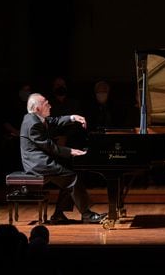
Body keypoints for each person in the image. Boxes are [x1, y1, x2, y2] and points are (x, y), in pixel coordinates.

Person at [20, 93, 107, 224]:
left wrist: (73, 117)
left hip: (42, 161)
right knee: (72, 178)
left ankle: (59, 214)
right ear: (37, 108)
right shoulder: (32, 124)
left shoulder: (35, 118)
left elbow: (55, 120)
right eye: (46, 104)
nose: (50, 105)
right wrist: (70, 151)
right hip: (38, 165)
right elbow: (49, 147)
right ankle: (87, 214)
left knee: (68, 178)